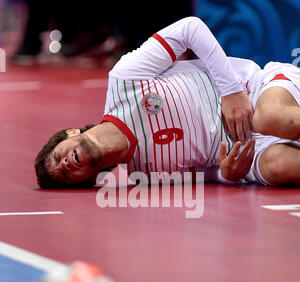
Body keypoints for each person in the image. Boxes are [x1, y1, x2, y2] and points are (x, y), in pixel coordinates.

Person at [35, 17, 300, 189]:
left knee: (269, 119)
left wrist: (230, 91)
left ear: (71, 133)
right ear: (88, 181)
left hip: (254, 91)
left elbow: (190, 29)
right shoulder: (145, 176)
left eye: (58, 157)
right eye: (66, 176)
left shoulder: (124, 79)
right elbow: (206, 174)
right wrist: (226, 174)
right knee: (277, 166)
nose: (65, 165)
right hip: (248, 150)